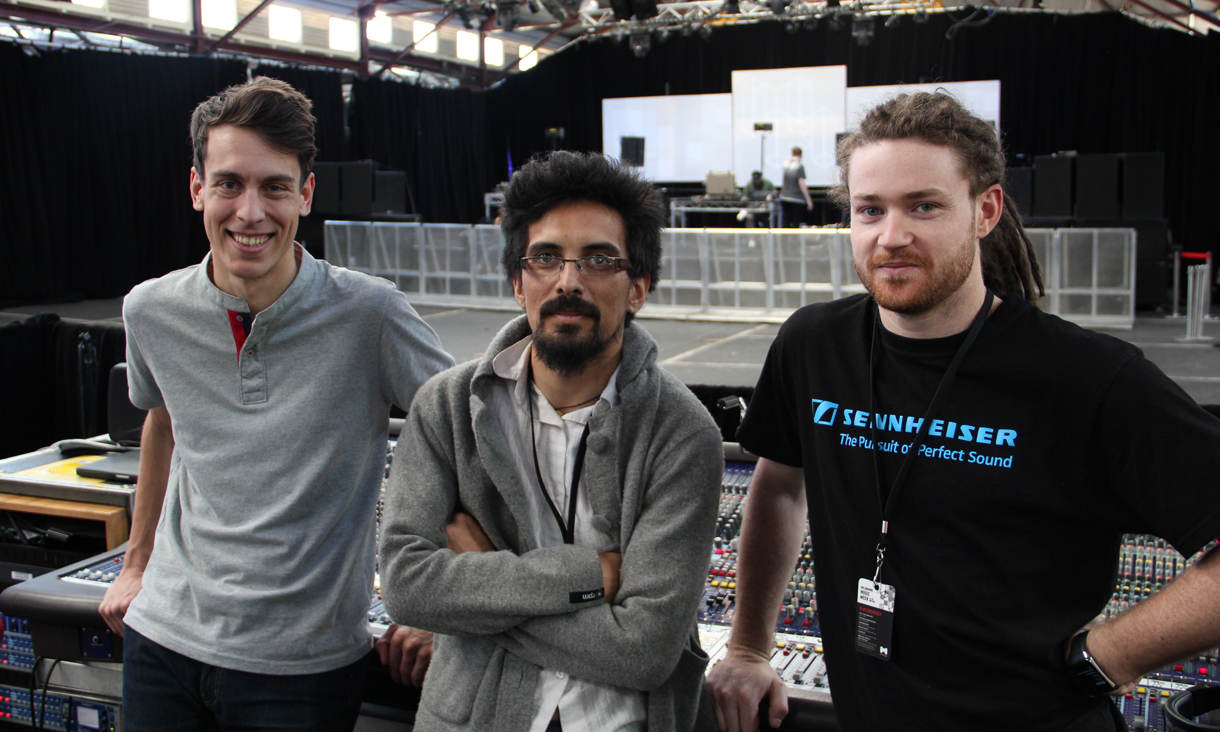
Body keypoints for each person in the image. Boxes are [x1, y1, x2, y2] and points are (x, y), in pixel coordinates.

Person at [706, 92, 1220, 732]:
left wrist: (1111, 654)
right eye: (870, 209)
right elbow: (782, 482)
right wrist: (749, 647)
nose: (892, 236)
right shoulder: (812, 345)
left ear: (986, 211)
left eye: (924, 205)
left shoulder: (1088, 377)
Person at [98, 77, 454, 730]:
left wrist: (440, 605)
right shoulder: (150, 309)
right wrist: (136, 563)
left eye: (275, 187)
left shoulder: (370, 314)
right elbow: (162, 422)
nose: (251, 212)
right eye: (230, 184)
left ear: (306, 194)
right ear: (197, 188)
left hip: (302, 669)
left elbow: (468, 446)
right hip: (162, 644)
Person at [378, 150, 724, 732]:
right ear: (519, 283)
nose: (568, 281)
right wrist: (587, 578)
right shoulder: (445, 406)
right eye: (545, 258)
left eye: (599, 260)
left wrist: (481, 576)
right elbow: (409, 588)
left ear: (637, 288)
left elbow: (644, 650)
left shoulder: (683, 433)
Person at [779, 146, 813, 227]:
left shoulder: (785, 164)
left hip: (785, 197)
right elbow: (801, 183)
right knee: (796, 223)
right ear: (801, 154)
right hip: (797, 198)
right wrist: (808, 200)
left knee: (786, 221)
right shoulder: (799, 166)